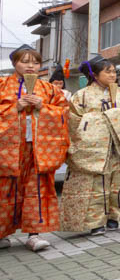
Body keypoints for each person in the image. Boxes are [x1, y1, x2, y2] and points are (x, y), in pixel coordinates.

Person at [61, 57, 120, 237]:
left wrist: (118, 117)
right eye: (108, 71)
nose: (113, 75)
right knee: (96, 185)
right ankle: (95, 222)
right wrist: (98, 123)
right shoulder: (81, 95)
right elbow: (74, 121)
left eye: (114, 71)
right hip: (94, 148)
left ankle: (115, 217)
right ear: (94, 74)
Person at [0, 46, 69, 252]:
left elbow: (65, 113)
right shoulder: (2, 85)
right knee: (6, 187)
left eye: (35, 63)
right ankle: (3, 233)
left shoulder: (49, 90)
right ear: (14, 63)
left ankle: (34, 234)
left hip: (39, 147)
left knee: (37, 187)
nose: (31, 66)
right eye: (25, 61)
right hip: (9, 148)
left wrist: (43, 107)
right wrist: (15, 108)